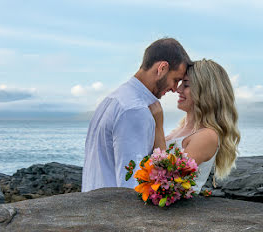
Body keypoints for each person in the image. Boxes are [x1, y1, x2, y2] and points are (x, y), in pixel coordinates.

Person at [81, 38, 192, 192]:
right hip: (112, 210)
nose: (175, 89)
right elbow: (132, 183)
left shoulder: (114, 98)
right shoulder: (135, 110)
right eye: (176, 80)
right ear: (162, 68)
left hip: (93, 202)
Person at [149, 59, 240, 193]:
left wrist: (158, 126)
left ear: (205, 92)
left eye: (186, 85)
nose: (178, 89)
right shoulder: (180, 130)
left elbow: (168, 181)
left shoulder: (207, 136)